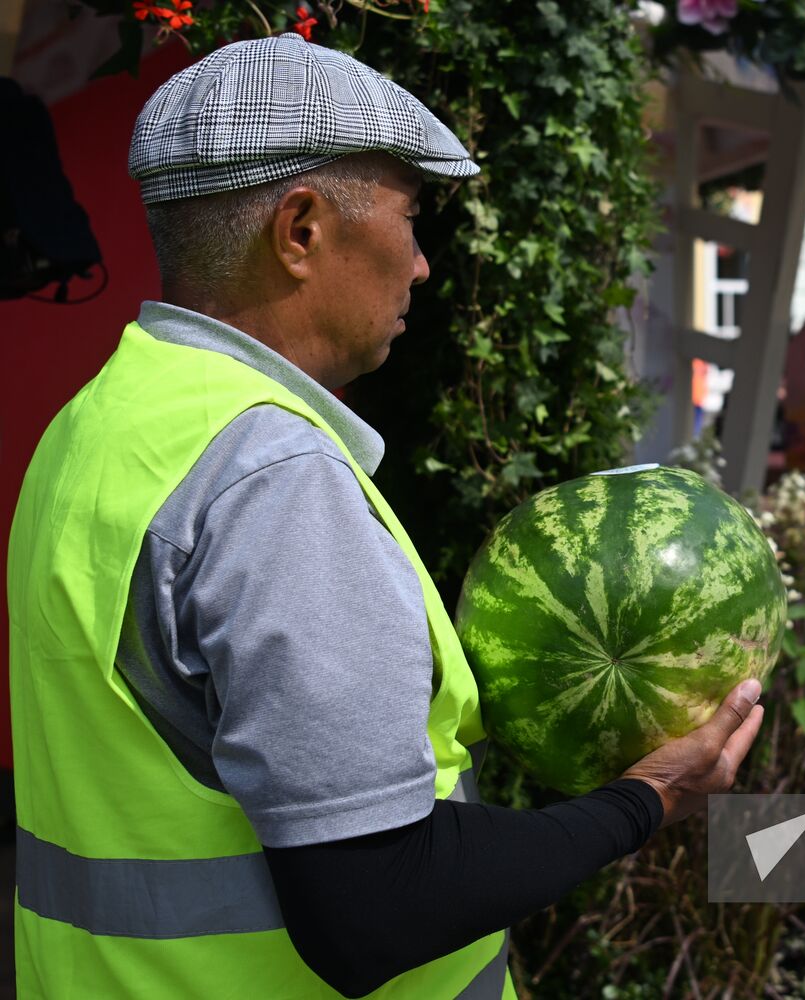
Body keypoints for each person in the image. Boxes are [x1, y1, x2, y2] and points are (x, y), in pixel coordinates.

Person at [8, 34, 764, 999]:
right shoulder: (269, 479)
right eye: (410, 220)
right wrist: (649, 798)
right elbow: (375, 908)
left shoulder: (99, 424)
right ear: (302, 229)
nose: (422, 266)